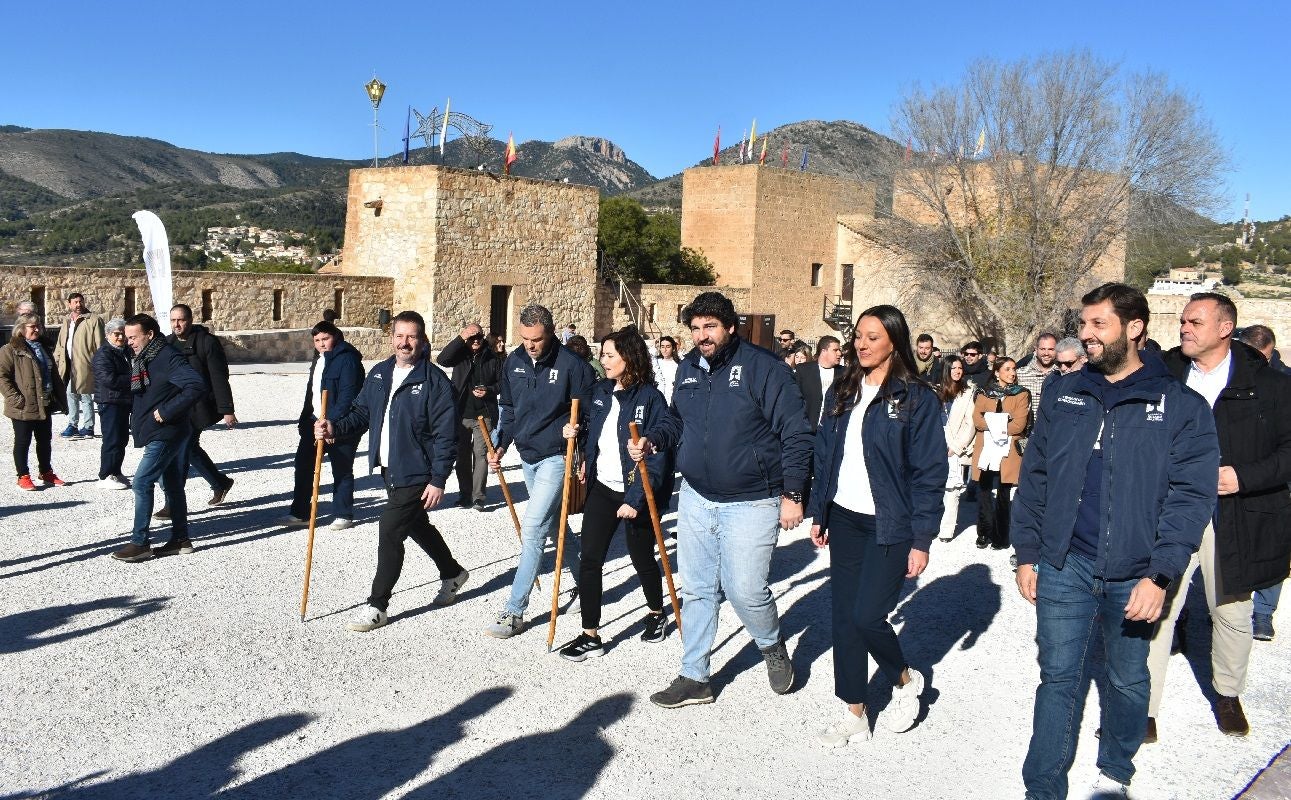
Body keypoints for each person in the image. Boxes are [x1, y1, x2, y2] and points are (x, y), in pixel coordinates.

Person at [1012, 282, 1217, 799]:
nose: (1086, 336)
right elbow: (1037, 475)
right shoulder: (1065, 393)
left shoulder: (1179, 405)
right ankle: (1042, 787)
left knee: (1127, 680)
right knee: (1057, 676)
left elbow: (1190, 498)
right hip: (1065, 564)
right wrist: (1029, 553)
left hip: (1136, 571)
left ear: (1135, 328)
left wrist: (1161, 574)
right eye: (1083, 325)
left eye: (1097, 325)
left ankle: (1115, 772)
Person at [630, 291, 812, 707]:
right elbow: (677, 420)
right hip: (696, 496)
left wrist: (794, 494)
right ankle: (695, 676)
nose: (701, 336)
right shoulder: (690, 367)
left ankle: (770, 643)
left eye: (710, 327)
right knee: (696, 589)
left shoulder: (763, 369)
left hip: (752, 499)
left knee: (745, 589)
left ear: (731, 326)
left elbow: (797, 433)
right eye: (695, 328)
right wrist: (656, 440)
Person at [1147, 293, 1291, 738]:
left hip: (1236, 512)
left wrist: (1244, 477)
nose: (1183, 328)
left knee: (1230, 608)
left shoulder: (1271, 386)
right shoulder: (1163, 375)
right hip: (1171, 509)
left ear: (1225, 328)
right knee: (1157, 604)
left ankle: (1228, 694)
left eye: (1194, 321)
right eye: (1183, 320)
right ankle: (1142, 705)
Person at [806, 305, 944, 745]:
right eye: (859, 337)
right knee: (844, 618)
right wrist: (820, 510)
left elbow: (929, 472)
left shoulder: (915, 398)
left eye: (873, 337)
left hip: (891, 523)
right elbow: (825, 454)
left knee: (868, 616)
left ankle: (904, 681)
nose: (862, 344)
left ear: (894, 343)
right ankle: (854, 712)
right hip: (844, 518)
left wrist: (921, 539)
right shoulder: (842, 390)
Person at [316, 311, 470, 631]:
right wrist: (334, 427)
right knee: (416, 525)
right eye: (400, 336)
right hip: (389, 468)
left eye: (411, 337)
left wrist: (439, 479)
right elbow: (361, 413)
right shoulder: (380, 373)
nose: (405, 343)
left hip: (418, 472)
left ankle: (377, 606)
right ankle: (453, 572)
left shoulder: (434, 381)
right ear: (391, 338)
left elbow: (446, 435)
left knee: (389, 529)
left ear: (423, 340)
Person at [557, 327, 672, 661]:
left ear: (629, 357)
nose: (603, 360)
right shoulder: (600, 391)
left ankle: (655, 612)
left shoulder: (650, 398)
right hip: (603, 488)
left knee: (641, 556)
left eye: (609, 355)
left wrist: (635, 501)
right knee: (590, 559)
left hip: (637, 490)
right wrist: (574, 434)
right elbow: (592, 430)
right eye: (603, 354)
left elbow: (659, 455)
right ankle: (590, 634)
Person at [484, 304, 596, 639]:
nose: (530, 345)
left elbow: (592, 413)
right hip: (528, 454)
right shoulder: (514, 361)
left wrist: (581, 441)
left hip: (557, 456)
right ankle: (588, 586)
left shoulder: (572, 366)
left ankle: (515, 609)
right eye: (525, 338)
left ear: (550, 332)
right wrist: (500, 442)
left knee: (533, 529)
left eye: (537, 339)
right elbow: (507, 408)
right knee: (555, 525)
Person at [111, 313, 206, 563]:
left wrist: (165, 411)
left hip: (167, 432)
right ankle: (181, 540)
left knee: (141, 482)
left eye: (133, 337)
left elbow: (196, 385)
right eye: (127, 337)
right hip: (160, 430)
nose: (128, 341)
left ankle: (140, 542)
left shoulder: (167, 356)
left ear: (150, 334)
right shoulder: (145, 357)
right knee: (173, 485)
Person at [282, 321, 364, 529]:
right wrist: (306, 421)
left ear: (335, 337)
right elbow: (311, 393)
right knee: (303, 465)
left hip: (340, 424)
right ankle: (300, 512)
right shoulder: (318, 360)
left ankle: (343, 513)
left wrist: (332, 423)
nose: (321, 344)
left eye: (325, 339)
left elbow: (348, 396)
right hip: (315, 422)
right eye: (317, 340)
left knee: (342, 468)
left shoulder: (348, 360)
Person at [1237, 325, 1290, 642]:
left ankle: (1263, 614)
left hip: (1272, 474)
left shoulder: (1283, 382)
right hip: (1233, 473)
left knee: (1270, 545)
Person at [164, 304, 237, 509]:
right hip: (176, 407)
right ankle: (220, 482)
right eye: (173, 320)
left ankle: (173, 503)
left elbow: (219, 377)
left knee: (181, 451)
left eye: (181, 320)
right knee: (190, 449)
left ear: (190, 319)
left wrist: (227, 409)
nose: (177, 324)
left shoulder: (207, 342)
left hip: (198, 406)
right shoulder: (167, 343)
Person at [436, 322, 501, 511]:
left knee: (480, 455)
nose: (475, 341)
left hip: (484, 414)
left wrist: (488, 390)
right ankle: (465, 494)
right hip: (461, 413)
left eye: (478, 337)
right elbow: (442, 359)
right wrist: (461, 337)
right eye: (471, 338)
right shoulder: (460, 355)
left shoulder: (493, 358)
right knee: (462, 457)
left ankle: (478, 496)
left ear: (483, 337)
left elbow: (502, 384)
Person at [0, 312, 66, 490]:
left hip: (44, 402)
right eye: (32, 326)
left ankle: (46, 471)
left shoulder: (43, 348)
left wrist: (59, 397)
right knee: (23, 441)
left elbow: (53, 375)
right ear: (21, 329)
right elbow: (2, 376)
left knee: (44, 440)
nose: (37, 329)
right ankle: (23, 475)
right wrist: (15, 398)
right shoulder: (10, 349)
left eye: (38, 326)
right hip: (23, 405)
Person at [970, 357, 1030, 551]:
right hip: (986, 449)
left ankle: (1001, 537)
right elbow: (977, 421)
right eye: (1007, 369)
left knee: (1004, 495)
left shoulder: (1021, 394)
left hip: (1008, 451)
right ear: (997, 372)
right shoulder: (984, 393)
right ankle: (984, 533)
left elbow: (1019, 425)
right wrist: (1002, 422)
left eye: (1014, 369)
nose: (1012, 373)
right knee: (985, 493)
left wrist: (992, 424)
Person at [937, 355, 976, 542]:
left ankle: (946, 530)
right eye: (953, 368)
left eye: (960, 368)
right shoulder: (935, 391)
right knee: (932, 486)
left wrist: (956, 447)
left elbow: (971, 423)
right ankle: (930, 524)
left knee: (952, 491)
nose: (957, 371)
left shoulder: (968, 392)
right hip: (935, 442)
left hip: (955, 444)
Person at [53, 292, 103, 439]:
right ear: (69, 304)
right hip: (68, 364)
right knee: (70, 394)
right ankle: (72, 425)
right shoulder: (67, 321)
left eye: (80, 301)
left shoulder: (94, 320)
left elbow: (100, 345)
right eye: (75, 302)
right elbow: (61, 343)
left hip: (85, 364)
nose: (78, 304)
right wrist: (57, 361)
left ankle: (88, 427)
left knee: (86, 396)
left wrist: (99, 365)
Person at [91, 317, 132, 490]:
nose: (121, 337)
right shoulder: (103, 354)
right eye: (117, 334)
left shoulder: (126, 352)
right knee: (111, 439)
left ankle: (116, 471)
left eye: (123, 334)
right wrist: (135, 378)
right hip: (110, 401)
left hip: (122, 400)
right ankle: (105, 474)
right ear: (108, 335)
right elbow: (110, 379)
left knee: (121, 439)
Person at [794, 335, 842, 433]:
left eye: (839, 350)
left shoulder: (844, 373)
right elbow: (794, 400)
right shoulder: (803, 370)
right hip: (807, 430)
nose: (839, 353)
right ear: (824, 351)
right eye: (835, 350)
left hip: (832, 432)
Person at [1015, 332, 1058, 433]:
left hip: (1052, 432)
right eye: (1042, 349)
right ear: (1036, 349)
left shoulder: (1062, 375)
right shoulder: (1020, 374)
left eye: (1051, 349)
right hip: (1026, 433)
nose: (1046, 353)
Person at [652, 335, 680, 404]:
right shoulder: (655, 362)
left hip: (673, 401)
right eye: (662, 346)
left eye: (668, 346)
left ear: (673, 348)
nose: (665, 349)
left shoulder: (679, 364)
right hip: (657, 400)